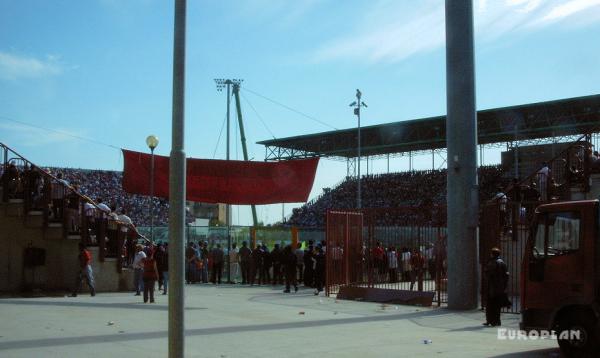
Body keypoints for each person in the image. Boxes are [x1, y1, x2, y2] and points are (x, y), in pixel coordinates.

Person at [483, 247, 509, 327]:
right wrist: (504, 285)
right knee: (497, 305)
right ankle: (497, 321)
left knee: (490, 304)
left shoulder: (492, 262)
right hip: (500, 287)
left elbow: (488, 274)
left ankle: (490, 321)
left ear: (492, 254)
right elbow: (506, 275)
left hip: (492, 287)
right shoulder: (502, 262)